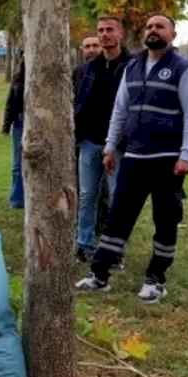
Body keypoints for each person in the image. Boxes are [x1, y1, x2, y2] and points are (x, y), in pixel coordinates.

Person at [76, 14, 188, 304]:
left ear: (173, 34)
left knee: (165, 219)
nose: (153, 30)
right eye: (149, 27)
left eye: (160, 26)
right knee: (118, 215)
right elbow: (120, 110)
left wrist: (187, 155)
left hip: (168, 159)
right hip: (133, 155)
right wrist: (110, 147)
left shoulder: (184, 69)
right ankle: (99, 275)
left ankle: (156, 279)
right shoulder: (132, 67)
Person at [73, 17, 132, 263]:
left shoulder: (133, 67)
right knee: (87, 196)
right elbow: (78, 103)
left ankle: (114, 249)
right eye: (100, 31)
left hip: (119, 145)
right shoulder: (87, 69)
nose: (104, 34)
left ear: (120, 34)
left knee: (118, 198)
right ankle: (84, 243)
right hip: (90, 142)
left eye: (110, 30)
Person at [1, 58, 26, 209]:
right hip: (19, 124)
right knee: (17, 164)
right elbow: (10, 103)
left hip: (36, 125)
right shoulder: (17, 80)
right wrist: (6, 125)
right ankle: (16, 199)